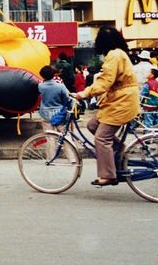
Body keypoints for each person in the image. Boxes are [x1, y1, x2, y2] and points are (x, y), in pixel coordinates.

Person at [75, 27, 139, 187]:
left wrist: (85, 93)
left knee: (102, 138)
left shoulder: (114, 55)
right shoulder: (119, 53)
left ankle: (108, 175)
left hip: (121, 102)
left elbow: (104, 81)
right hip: (118, 101)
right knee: (92, 125)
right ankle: (118, 149)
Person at [38, 65, 71, 132]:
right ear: (53, 74)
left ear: (42, 75)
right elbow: (66, 99)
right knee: (64, 135)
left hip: (45, 114)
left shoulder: (40, 86)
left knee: (50, 136)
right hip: (59, 114)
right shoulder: (60, 86)